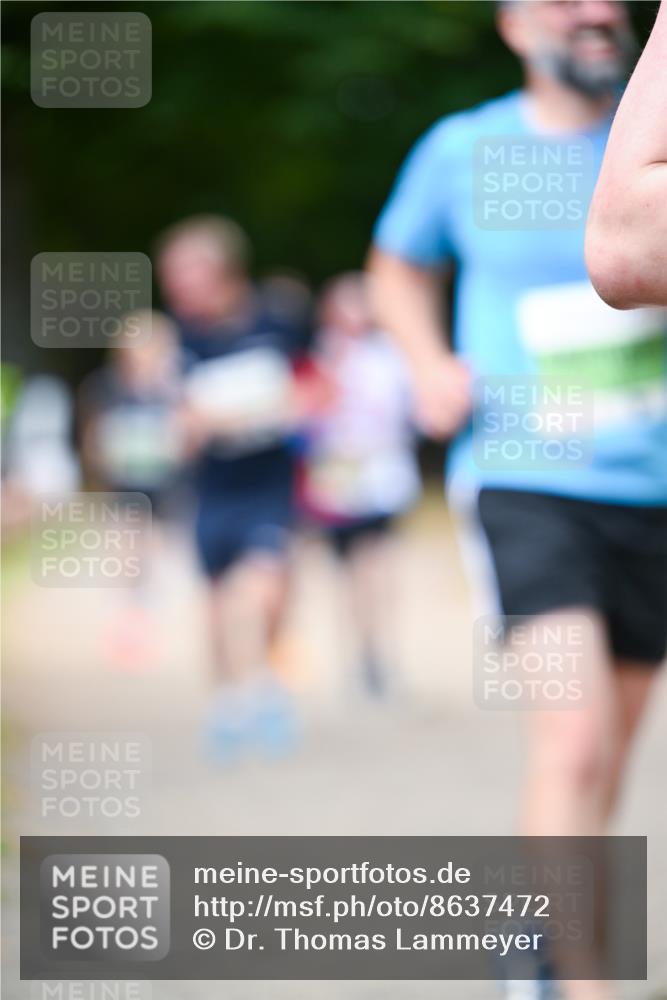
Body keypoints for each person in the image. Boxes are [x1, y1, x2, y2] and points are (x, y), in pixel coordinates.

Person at [368, 2, 666, 997]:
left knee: (605, 756)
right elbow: (396, 263)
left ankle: (535, 930)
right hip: (524, 473)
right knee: (572, 737)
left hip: (650, 483)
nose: (590, 12)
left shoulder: (649, 149)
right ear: (508, 26)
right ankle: (577, 980)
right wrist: (423, 360)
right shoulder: (465, 148)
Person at [155, 215, 303, 761]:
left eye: (182, 275)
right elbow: (176, 420)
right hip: (211, 490)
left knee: (266, 589)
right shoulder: (178, 338)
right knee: (217, 606)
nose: (174, 288)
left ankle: (264, 683)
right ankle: (226, 702)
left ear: (219, 271)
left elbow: (312, 384)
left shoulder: (277, 319)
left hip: (268, 485)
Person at [297, 272, 420, 697]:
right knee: (345, 575)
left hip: (381, 479)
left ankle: (382, 655)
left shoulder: (389, 356)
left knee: (378, 569)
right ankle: (357, 658)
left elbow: (406, 413)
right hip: (336, 483)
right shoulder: (319, 357)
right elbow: (306, 416)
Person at [78, 311, 184, 669]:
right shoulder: (105, 385)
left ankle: (148, 623)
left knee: (154, 555)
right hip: (124, 485)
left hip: (166, 487)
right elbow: (93, 437)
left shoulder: (175, 384)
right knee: (127, 555)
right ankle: (127, 628)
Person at [586, 0, 667, 308]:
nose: (600, 12)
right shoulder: (461, 143)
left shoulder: (648, 129)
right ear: (513, 27)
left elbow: (621, 255)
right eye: (564, 3)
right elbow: (422, 262)